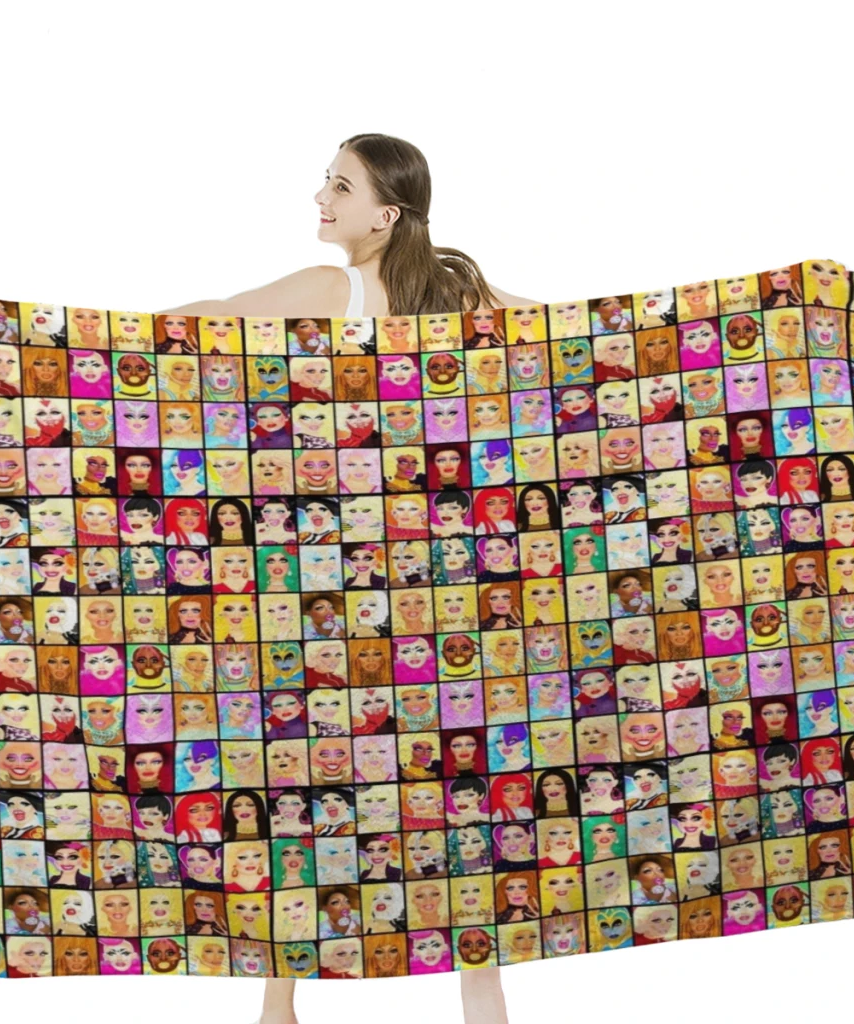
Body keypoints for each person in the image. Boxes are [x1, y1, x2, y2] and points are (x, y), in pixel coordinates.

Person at [162, 133, 536, 1024]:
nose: (321, 199)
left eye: (339, 186)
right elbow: (591, 327)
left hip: (350, 580)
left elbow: (209, 316)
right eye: (325, 183)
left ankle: (281, 1006)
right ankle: (466, 1001)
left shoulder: (342, 289)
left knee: (305, 769)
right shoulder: (451, 289)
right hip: (432, 577)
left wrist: (5, 327)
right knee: (460, 774)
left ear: (386, 213)